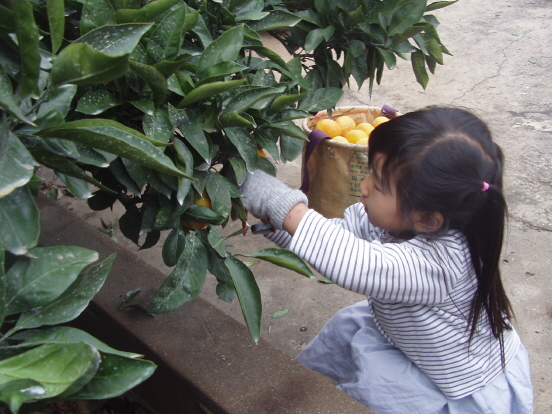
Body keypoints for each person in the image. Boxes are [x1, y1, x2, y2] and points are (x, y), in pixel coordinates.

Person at [239, 106, 534, 414]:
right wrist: (278, 222)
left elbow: (356, 263)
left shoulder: (442, 265)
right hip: (413, 339)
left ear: (427, 219)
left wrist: (284, 205)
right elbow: (337, 238)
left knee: (383, 392)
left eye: (378, 184)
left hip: (455, 382)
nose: (364, 188)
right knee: (347, 330)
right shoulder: (397, 217)